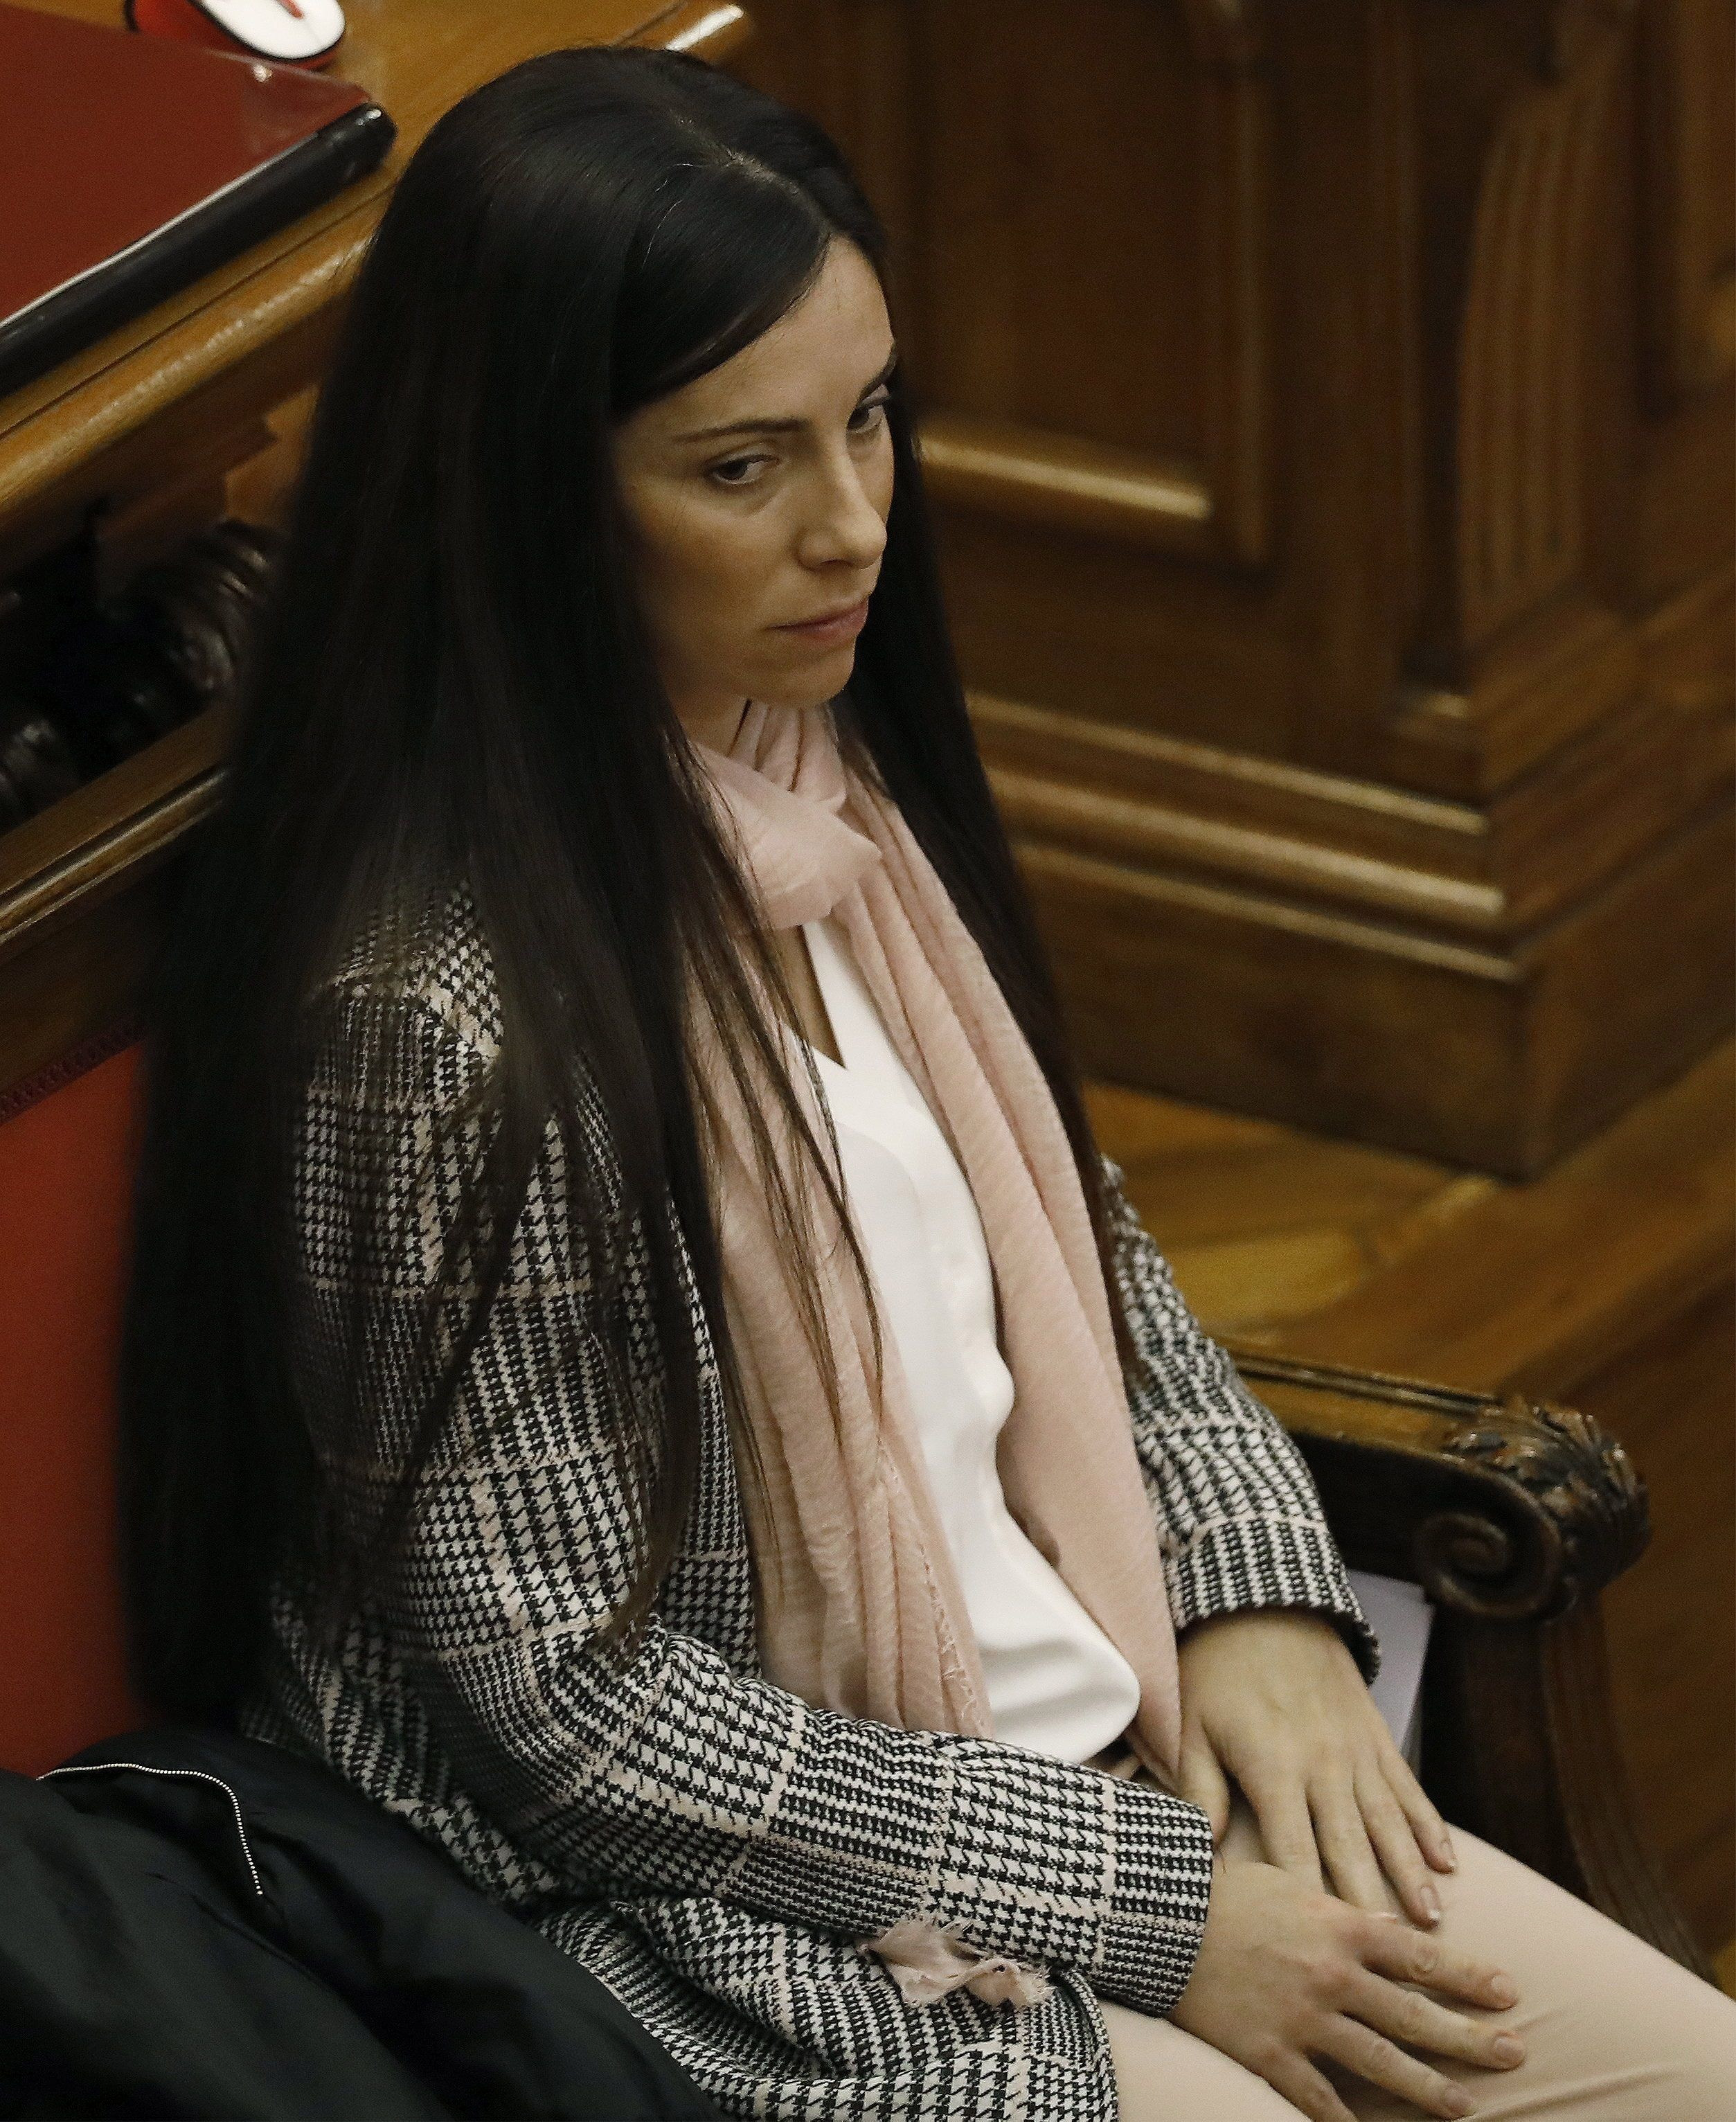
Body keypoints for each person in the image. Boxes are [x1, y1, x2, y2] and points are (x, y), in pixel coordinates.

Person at [116, 43, 1736, 2122]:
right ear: (525, 488)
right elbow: (571, 1711)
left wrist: (1254, 1597)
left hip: (1105, 1740)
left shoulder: (802, 770)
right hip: (745, 1924)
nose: (853, 522)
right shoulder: (434, 1018)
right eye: (740, 465)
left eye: (867, 416)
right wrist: (1156, 1910)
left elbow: (1079, 1243)